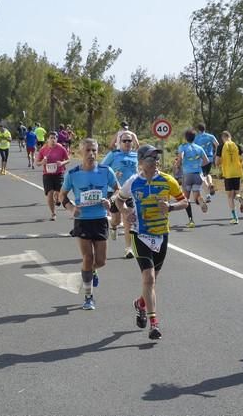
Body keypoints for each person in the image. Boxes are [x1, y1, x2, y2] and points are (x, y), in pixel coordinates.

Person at [115, 144, 188, 340]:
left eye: (156, 158)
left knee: (153, 281)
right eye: (150, 158)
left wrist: (171, 207)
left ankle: (140, 303)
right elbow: (118, 200)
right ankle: (154, 324)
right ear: (140, 162)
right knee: (149, 279)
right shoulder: (133, 181)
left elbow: (185, 202)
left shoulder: (167, 180)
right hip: (140, 235)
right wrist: (126, 212)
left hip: (161, 235)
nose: (155, 161)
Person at [59, 138, 119, 310]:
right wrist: (71, 208)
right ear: (81, 152)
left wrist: (110, 201)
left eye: (94, 150)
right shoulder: (73, 174)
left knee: (100, 261)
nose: (91, 154)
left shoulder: (106, 171)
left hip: (100, 219)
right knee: (87, 257)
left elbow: (118, 190)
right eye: (88, 151)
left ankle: (91, 271)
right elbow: (62, 195)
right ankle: (88, 296)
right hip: (82, 220)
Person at [101, 131, 139, 258]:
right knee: (116, 220)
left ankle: (128, 248)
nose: (127, 143)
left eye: (129, 141)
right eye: (125, 141)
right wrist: (113, 175)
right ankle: (113, 226)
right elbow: (102, 168)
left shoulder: (136, 155)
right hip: (115, 191)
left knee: (128, 220)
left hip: (130, 192)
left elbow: (138, 171)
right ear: (119, 143)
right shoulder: (113, 155)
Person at [177, 129, 209, 228]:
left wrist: (179, 164)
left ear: (186, 138)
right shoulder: (199, 148)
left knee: (186, 199)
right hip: (198, 175)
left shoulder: (183, 147)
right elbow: (206, 161)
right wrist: (199, 165)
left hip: (187, 175)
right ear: (194, 138)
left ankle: (191, 220)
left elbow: (181, 157)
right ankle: (200, 200)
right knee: (196, 196)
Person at [215, 131, 243, 224]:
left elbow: (217, 162)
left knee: (229, 196)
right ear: (230, 137)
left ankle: (235, 218)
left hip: (228, 173)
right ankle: (240, 199)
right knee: (237, 192)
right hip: (237, 172)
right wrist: (241, 165)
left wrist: (221, 163)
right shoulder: (237, 145)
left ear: (222, 138)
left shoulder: (221, 147)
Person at [36, 131, 70, 221]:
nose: (53, 140)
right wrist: (42, 162)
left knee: (60, 193)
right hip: (47, 174)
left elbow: (68, 160)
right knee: (49, 193)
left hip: (59, 173)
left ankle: (57, 198)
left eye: (54, 138)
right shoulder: (43, 149)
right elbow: (37, 163)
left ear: (57, 139)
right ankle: (53, 213)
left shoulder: (61, 148)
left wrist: (62, 163)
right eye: (51, 138)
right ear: (48, 139)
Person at [193, 123, 219, 202]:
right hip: (210, 158)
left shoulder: (196, 138)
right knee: (207, 174)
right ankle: (210, 183)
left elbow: (193, 148)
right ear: (205, 129)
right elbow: (217, 144)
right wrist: (215, 154)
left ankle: (208, 195)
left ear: (198, 129)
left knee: (202, 177)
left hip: (201, 159)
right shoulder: (210, 136)